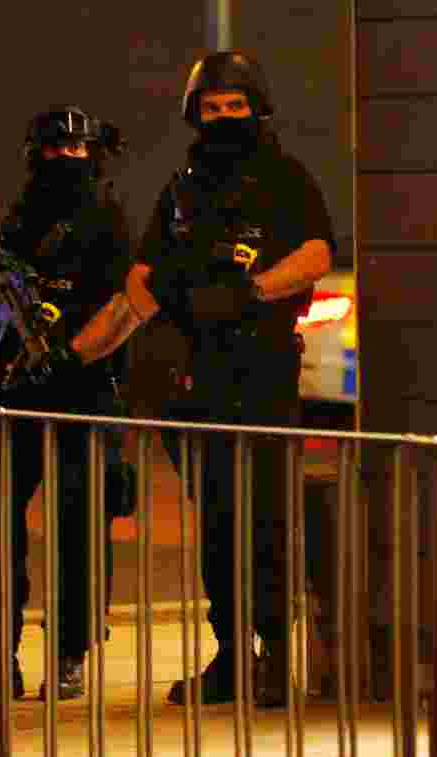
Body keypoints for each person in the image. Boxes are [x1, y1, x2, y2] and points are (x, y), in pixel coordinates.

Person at [68, 51, 335, 707]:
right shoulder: (182, 189)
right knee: (217, 520)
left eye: (234, 107)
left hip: (263, 365)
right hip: (197, 372)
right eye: (211, 108)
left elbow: (318, 252)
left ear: (256, 108)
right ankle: (232, 656)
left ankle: (274, 656)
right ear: (195, 114)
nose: (223, 117)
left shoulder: (283, 177)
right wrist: (82, 351)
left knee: (265, 513)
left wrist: (252, 292)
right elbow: (144, 278)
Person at [0, 105, 133, 703]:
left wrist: (68, 345)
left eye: (78, 150)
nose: (68, 159)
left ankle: (69, 656)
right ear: (35, 154)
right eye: (55, 149)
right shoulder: (19, 220)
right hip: (13, 393)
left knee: (79, 531)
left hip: (82, 394)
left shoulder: (107, 220)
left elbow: (121, 305)